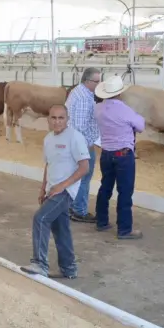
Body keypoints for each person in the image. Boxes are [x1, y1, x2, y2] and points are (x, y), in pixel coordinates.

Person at [20, 104, 90, 279]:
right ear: (48, 120)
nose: (57, 121)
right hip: (52, 190)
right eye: (53, 118)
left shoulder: (75, 137)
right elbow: (48, 165)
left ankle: (39, 264)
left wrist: (62, 186)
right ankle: (69, 269)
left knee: (41, 218)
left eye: (61, 118)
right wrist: (43, 188)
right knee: (61, 229)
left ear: (67, 119)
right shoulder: (48, 139)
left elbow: (84, 168)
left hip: (65, 192)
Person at [94, 75, 145, 240]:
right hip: (123, 155)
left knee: (105, 188)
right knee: (124, 192)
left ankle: (101, 221)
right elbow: (141, 126)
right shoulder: (124, 109)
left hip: (106, 153)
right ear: (119, 93)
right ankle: (124, 229)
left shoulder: (98, 109)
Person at [65, 67, 101, 223]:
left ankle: (72, 207)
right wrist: (85, 148)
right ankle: (79, 211)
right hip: (83, 145)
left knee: (76, 177)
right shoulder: (83, 98)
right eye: (97, 81)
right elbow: (79, 126)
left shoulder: (78, 92)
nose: (99, 84)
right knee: (84, 177)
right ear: (87, 81)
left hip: (76, 142)